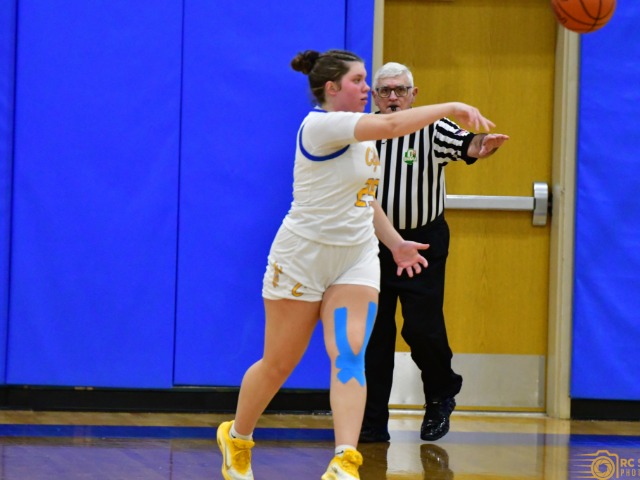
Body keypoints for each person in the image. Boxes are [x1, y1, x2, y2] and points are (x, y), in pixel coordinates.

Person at [215, 50, 496, 480]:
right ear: (332, 88)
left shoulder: (361, 135)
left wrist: (396, 244)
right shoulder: (321, 125)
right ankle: (237, 436)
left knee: (349, 355)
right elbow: (392, 125)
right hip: (304, 258)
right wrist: (452, 106)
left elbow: (365, 199)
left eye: (367, 81)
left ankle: (345, 460)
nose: (367, 89)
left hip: (356, 258)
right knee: (278, 364)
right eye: (359, 81)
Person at [359, 62, 509, 444]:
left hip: (423, 243)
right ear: (375, 96)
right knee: (375, 334)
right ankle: (372, 421)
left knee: (421, 328)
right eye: (385, 90)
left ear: (414, 94)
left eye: (400, 90)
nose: (393, 97)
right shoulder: (363, 132)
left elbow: (467, 144)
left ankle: (441, 393)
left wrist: (482, 146)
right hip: (372, 245)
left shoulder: (432, 127)